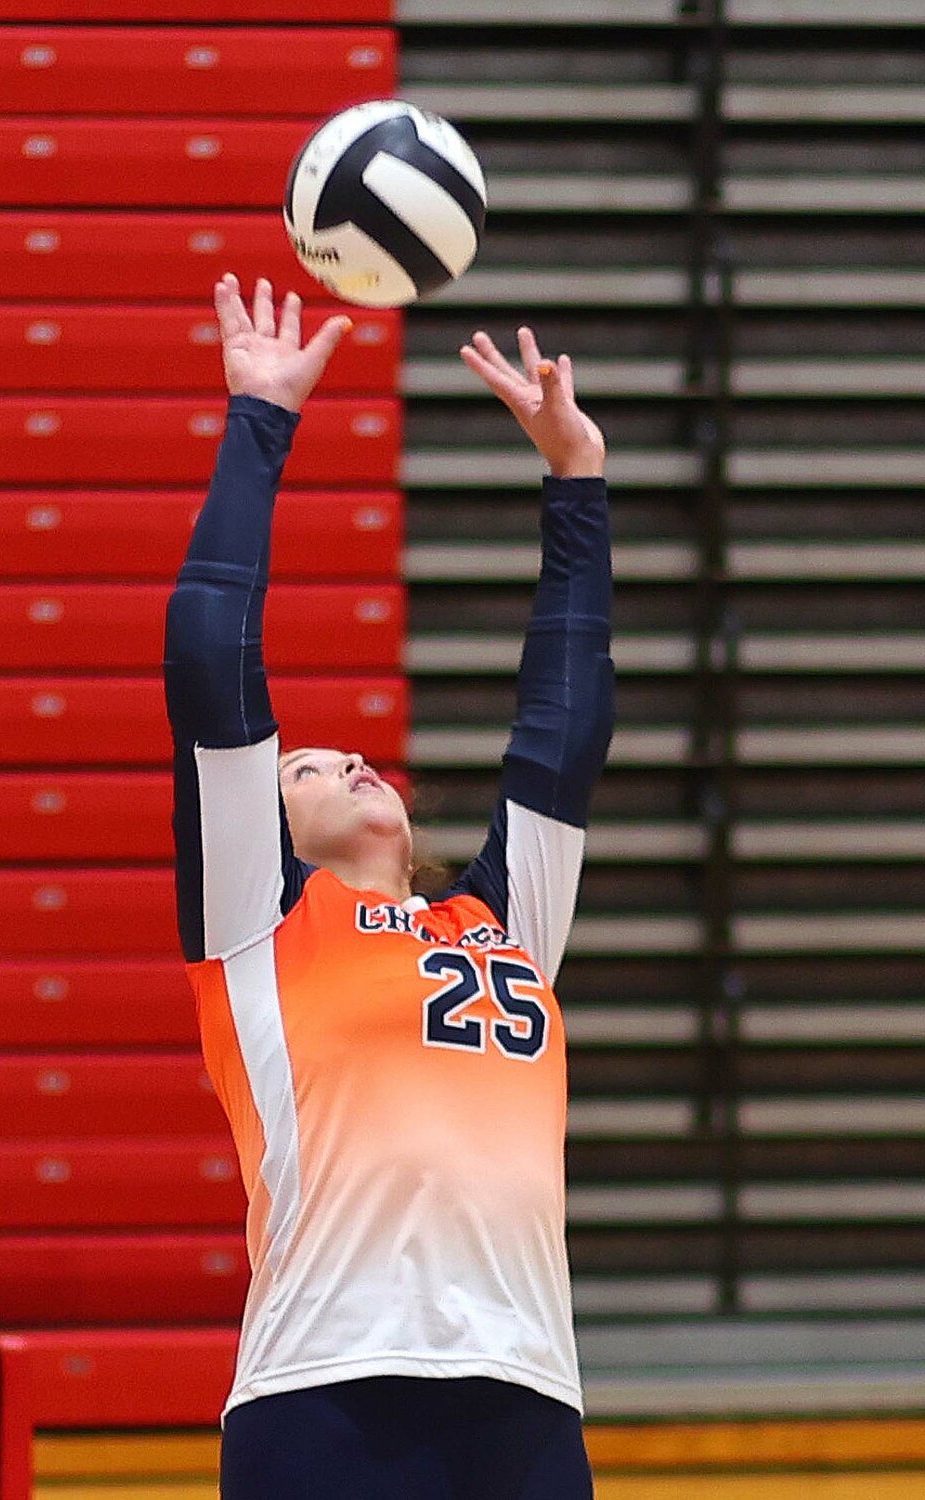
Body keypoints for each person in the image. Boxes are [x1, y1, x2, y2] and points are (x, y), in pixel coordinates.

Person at [164, 273, 614, 1500]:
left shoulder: (500, 920)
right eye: (305, 765)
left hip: (524, 1396)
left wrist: (575, 481)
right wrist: (260, 419)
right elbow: (211, 658)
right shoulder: (256, 922)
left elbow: (563, 726)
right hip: (325, 1396)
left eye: (353, 754)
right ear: (268, 818)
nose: (350, 758)